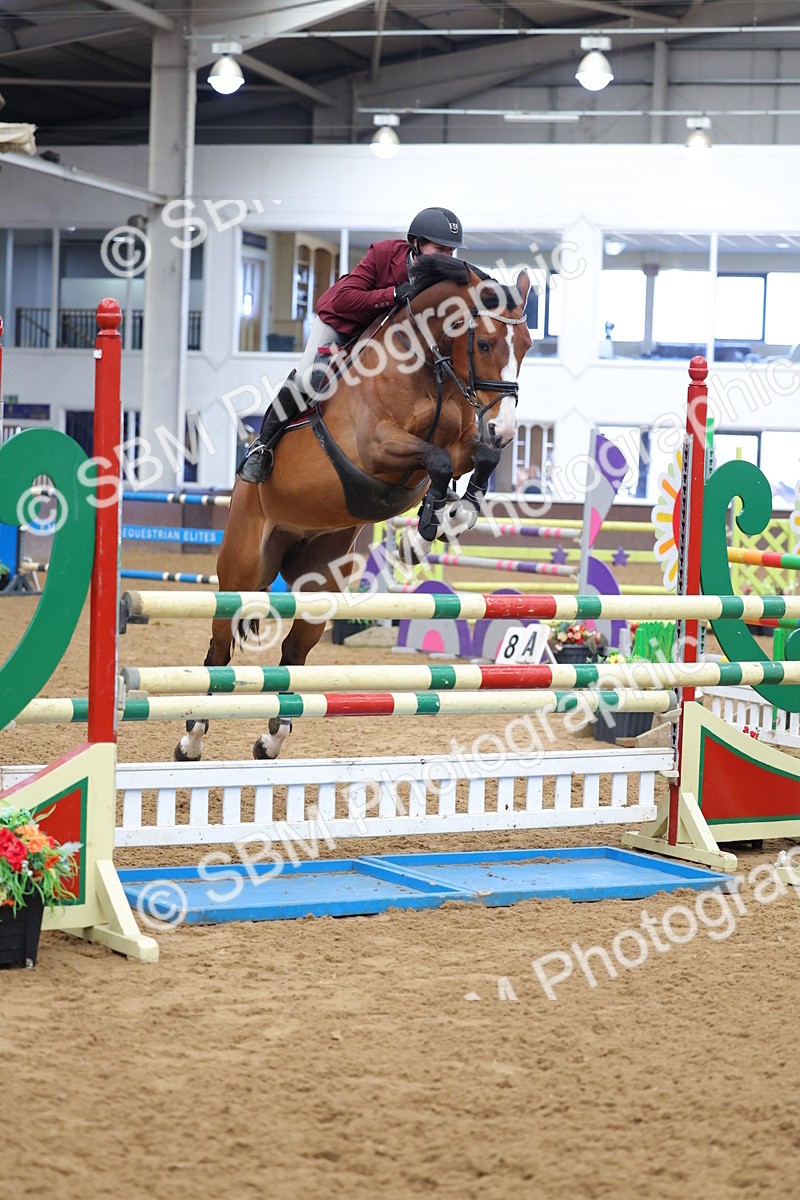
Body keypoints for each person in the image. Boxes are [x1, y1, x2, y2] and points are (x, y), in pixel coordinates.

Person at [237, 206, 465, 484]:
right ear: (415, 244)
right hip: (343, 324)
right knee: (309, 378)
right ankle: (262, 447)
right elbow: (344, 298)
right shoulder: (383, 254)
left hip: (382, 339)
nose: (447, 257)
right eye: (440, 249)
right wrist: (392, 293)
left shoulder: (446, 276)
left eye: (451, 252)